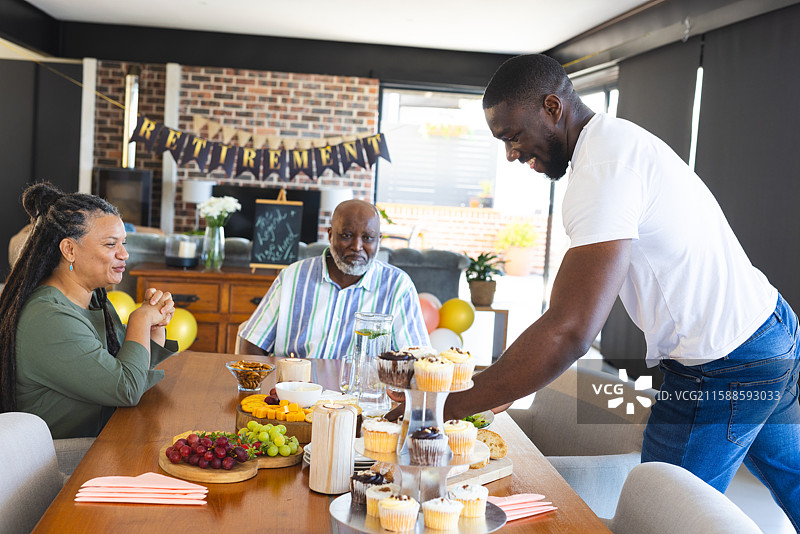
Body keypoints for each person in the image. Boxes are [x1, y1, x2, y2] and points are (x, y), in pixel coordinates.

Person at [438, 54, 799, 527]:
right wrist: (491, 382)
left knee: (656, 515)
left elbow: (570, 329)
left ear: (552, 107)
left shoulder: (603, 168)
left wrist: (448, 404)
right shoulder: (616, 143)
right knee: (793, 479)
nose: (510, 153)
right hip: (769, 329)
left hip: (723, 363)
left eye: (512, 136)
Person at [0, 183, 177, 439]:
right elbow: (126, 389)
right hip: (64, 456)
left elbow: (131, 368)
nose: (124, 254)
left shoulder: (93, 298)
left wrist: (153, 326)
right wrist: (140, 318)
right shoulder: (49, 318)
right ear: (69, 250)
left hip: (107, 437)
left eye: (123, 243)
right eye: (110, 244)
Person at [239, 199, 430, 358]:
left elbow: (416, 357)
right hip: (294, 397)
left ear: (378, 240)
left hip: (362, 400)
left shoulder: (397, 287)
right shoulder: (292, 277)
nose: (357, 246)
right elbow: (253, 344)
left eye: (368, 238)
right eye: (346, 235)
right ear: (330, 235)